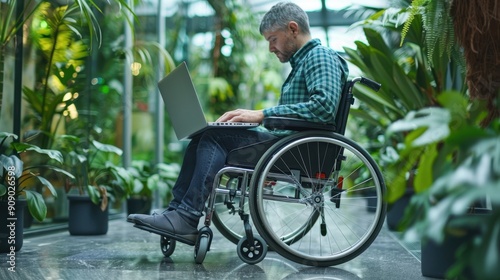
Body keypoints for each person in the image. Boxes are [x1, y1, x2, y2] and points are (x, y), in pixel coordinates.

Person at [128, 2, 349, 242]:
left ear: (293, 29)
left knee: (214, 137)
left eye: (272, 39)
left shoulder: (320, 57)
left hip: (298, 151)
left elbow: (323, 109)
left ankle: (187, 217)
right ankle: (177, 212)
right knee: (204, 133)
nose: (270, 48)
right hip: (289, 146)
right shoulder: (303, 63)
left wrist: (261, 114)